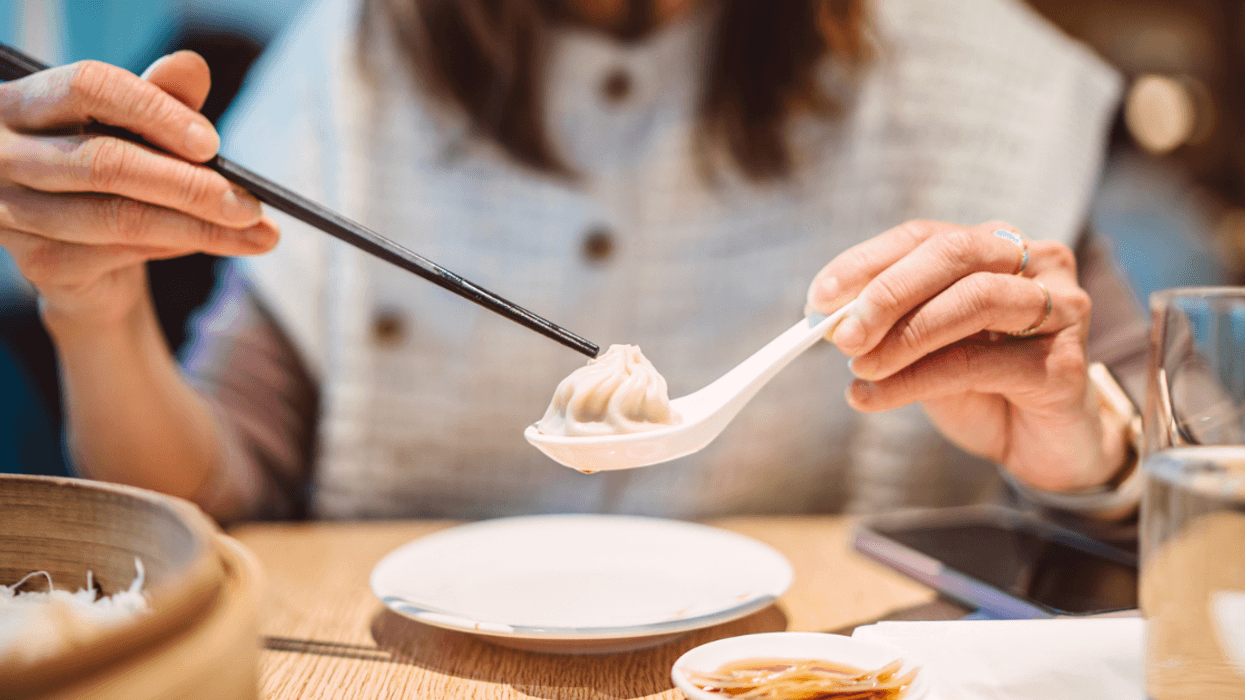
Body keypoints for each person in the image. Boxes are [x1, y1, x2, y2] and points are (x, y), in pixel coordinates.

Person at [0, 0, 1148, 526]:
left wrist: (1089, 454)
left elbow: (1176, 477)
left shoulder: (981, 76)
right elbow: (207, 489)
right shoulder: (352, 61)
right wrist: (94, 310)